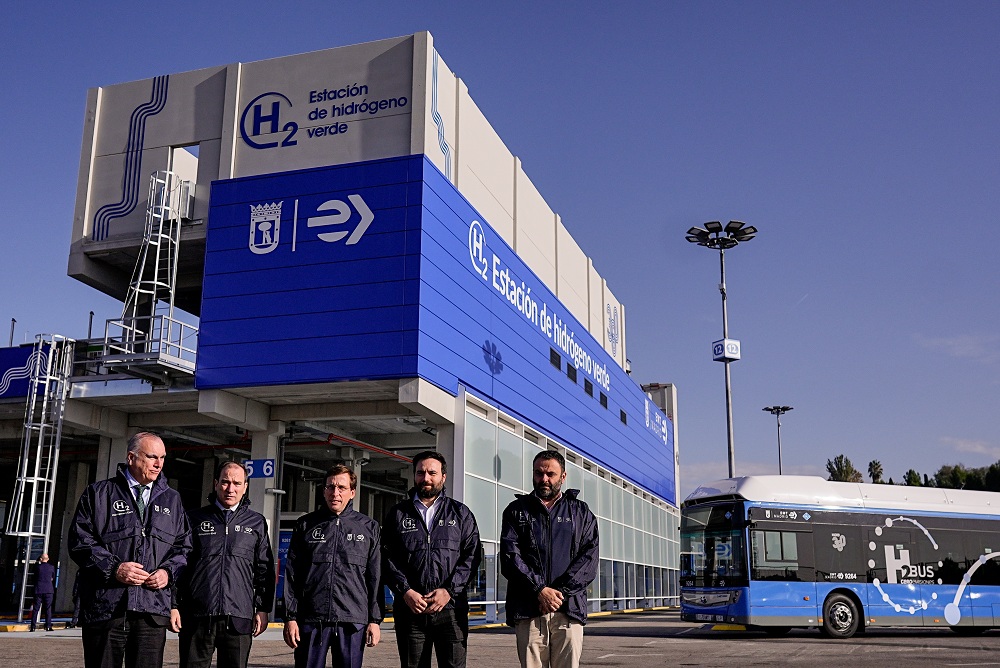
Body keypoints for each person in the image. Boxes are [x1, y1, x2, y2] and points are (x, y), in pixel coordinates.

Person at [68, 431, 192, 668]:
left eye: (163, 458)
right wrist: (114, 568)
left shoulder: (172, 500)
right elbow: (79, 542)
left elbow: (183, 547)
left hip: (151, 611)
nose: (159, 464)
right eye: (152, 457)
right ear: (131, 458)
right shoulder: (98, 494)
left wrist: (167, 572)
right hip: (107, 609)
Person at [499, 451, 599, 668]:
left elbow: (588, 561)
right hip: (528, 609)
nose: (544, 479)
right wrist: (539, 590)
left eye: (550, 474)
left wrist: (558, 594)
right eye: (538, 473)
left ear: (563, 476)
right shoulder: (517, 511)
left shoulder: (581, 513)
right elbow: (510, 557)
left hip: (568, 609)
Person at [382, 451, 481, 668]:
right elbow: (386, 557)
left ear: (443, 477)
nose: (426, 478)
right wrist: (406, 591)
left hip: (451, 610)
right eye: (420, 472)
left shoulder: (461, 514)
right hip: (410, 611)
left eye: (432, 473)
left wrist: (449, 591)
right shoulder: (398, 514)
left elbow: (472, 556)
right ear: (414, 476)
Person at [176, 460, 275, 668]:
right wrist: (174, 605)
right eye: (225, 482)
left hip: (238, 618)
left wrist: (263, 608)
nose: (230, 489)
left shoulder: (256, 523)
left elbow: (264, 568)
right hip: (197, 616)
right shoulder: (194, 519)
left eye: (237, 483)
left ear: (245, 487)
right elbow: (180, 565)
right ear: (215, 483)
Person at [283, 464, 381, 668]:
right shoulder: (305, 525)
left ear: (352, 492)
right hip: (311, 619)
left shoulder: (368, 528)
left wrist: (374, 620)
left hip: (352, 620)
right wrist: (291, 617)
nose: (335, 493)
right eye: (330, 487)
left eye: (341, 488)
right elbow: (293, 574)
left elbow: (375, 577)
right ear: (323, 490)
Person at [30, 553, 56, 632]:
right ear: (48, 559)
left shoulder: (37, 567)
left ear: (41, 559)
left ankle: (33, 627)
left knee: (36, 609)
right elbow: (52, 578)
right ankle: (48, 626)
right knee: (48, 609)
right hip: (48, 590)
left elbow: (33, 578)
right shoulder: (51, 567)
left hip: (38, 589)